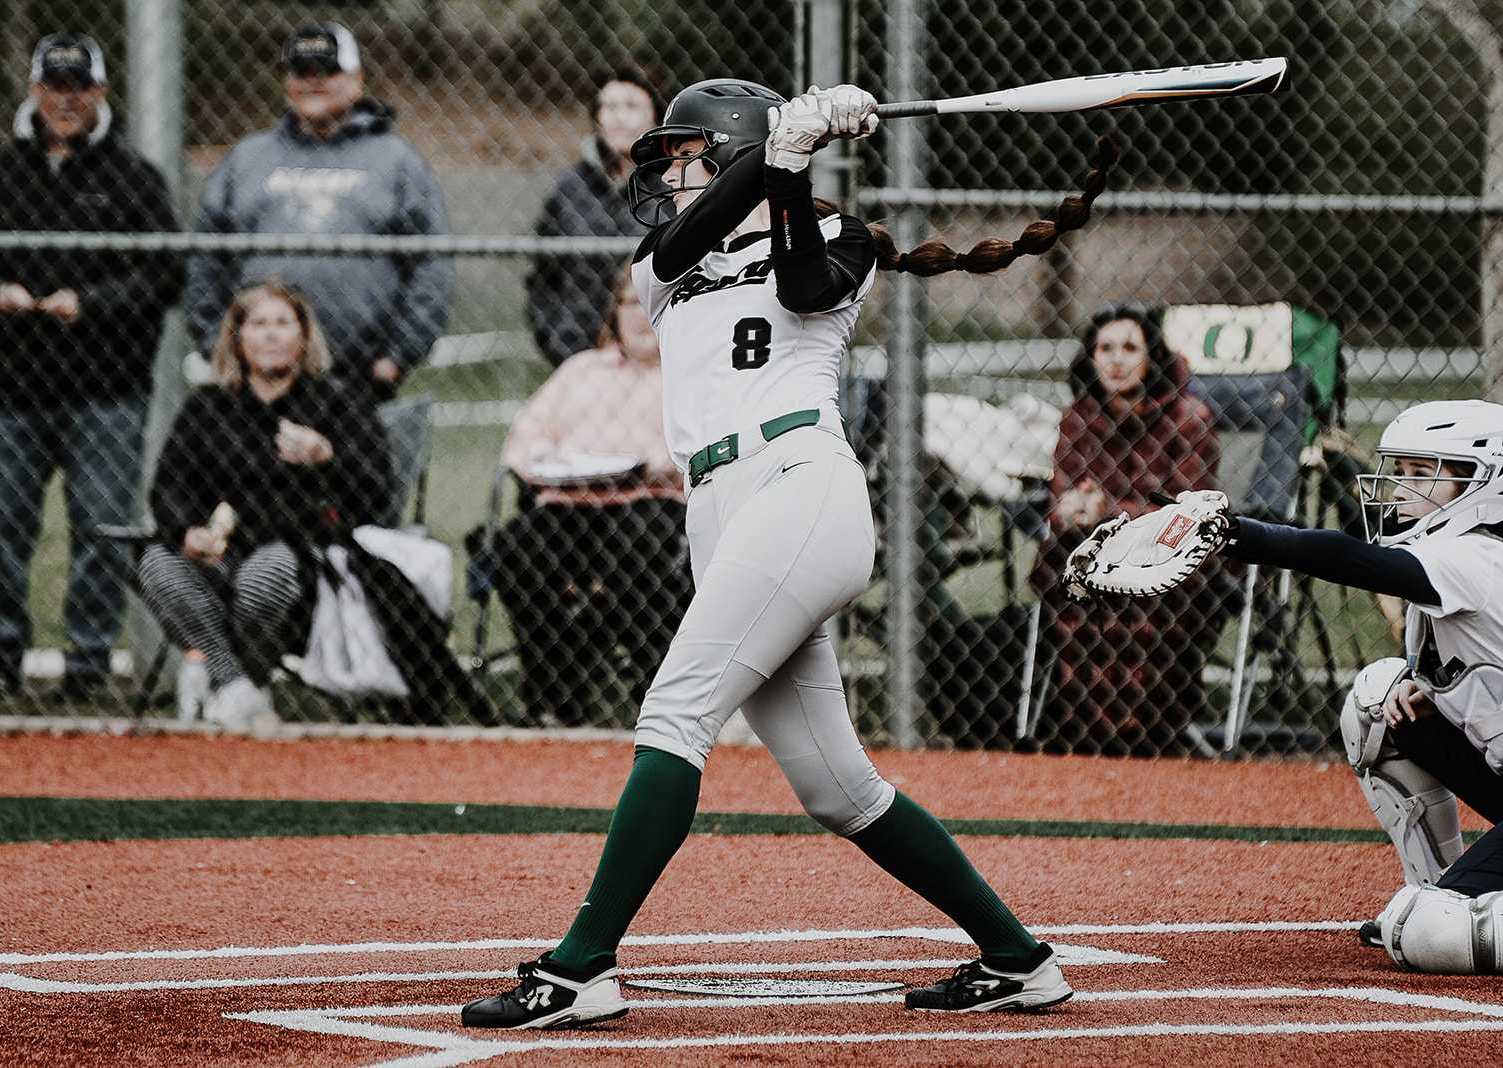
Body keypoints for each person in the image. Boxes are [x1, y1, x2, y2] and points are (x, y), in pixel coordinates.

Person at [460, 78, 1112, 1029]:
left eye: (687, 155)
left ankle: (580, 966)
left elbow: (807, 287)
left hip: (799, 486)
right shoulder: (662, 263)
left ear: (727, 154)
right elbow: (682, 240)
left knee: (677, 710)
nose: (668, 174)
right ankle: (1020, 961)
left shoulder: (839, 238)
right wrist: (780, 152)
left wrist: (792, 167)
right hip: (716, 508)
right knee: (838, 788)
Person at [1160, 398, 1503, 974]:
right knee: (1380, 697)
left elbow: (1356, 561)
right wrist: (1431, 686)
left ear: (1484, 483)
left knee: (1423, 933)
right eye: (1402, 472)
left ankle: (1437, 910)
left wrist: (1238, 534)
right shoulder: (1462, 555)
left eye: (1423, 476)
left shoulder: (1474, 553)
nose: (1400, 489)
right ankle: (1438, 888)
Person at [0, 32, 180, 704]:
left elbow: (164, 274)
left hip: (107, 392)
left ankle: (88, 666)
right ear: (34, 89)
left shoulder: (135, 180)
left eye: (79, 88)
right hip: (13, 392)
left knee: (101, 533)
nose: (65, 101)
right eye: (54, 87)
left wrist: (90, 303)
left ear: (101, 92)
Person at [139, 282, 390, 732]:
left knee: (262, 576)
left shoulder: (336, 401)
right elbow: (169, 486)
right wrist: (186, 531)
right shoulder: (208, 406)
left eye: (282, 323)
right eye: (258, 324)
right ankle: (239, 686)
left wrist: (326, 457)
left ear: (303, 336)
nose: (271, 335)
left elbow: (376, 493)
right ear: (237, 339)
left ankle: (229, 678)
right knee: (157, 561)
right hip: (216, 554)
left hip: (297, 555)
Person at [184, 21, 451, 402]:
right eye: (301, 71)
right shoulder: (246, 159)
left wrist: (396, 357)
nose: (312, 82)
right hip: (257, 382)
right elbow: (203, 262)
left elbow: (431, 266)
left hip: (358, 377)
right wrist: (219, 348)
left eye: (326, 71)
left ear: (356, 80)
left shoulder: (397, 161)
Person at [496, 266, 690, 726]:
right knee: (518, 547)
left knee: (634, 545)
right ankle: (556, 703)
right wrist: (547, 460)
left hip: (649, 502)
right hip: (569, 503)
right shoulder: (581, 369)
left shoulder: (690, 375)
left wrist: (658, 462)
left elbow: (702, 449)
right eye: (630, 304)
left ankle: (657, 697)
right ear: (614, 313)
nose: (642, 317)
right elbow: (523, 439)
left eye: (653, 305)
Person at [1029, 304, 1224, 755]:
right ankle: (1086, 728)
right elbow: (1062, 493)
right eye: (1106, 348)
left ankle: (1143, 730)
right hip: (1090, 549)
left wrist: (1108, 508)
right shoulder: (1077, 418)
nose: (1117, 359)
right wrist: (1069, 509)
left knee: (1139, 587)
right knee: (1070, 571)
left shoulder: (1188, 418)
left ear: (1152, 356)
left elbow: (1188, 511)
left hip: (1170, 554)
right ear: (1090, 358)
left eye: (1130, 347)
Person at [524, 64, 662, 367]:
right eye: (610, 107)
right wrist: (557, 341)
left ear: (654, 114)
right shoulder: (570, 188)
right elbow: (543, 278)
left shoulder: (672, 184)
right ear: (597, 117)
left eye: (631, 106)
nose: (620, 117)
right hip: (580, 352)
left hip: (658, 359)